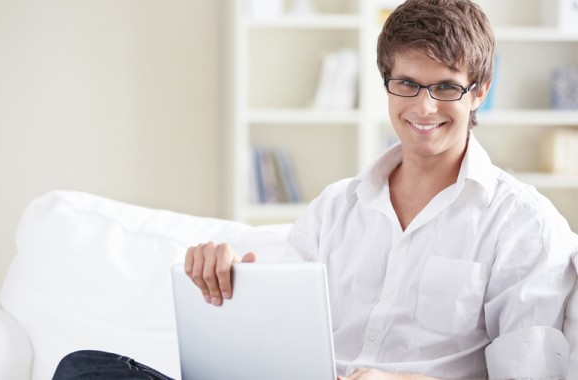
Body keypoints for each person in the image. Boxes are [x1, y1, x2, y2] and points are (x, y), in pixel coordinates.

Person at [53, 0, 578, 379]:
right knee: (84, 369)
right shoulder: (334, 207)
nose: (423, 107)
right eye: (407, 84)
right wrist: (226, 282)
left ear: (479, 90)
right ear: (387, 83)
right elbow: (276, 341)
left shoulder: (523, 225)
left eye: (445, 87)